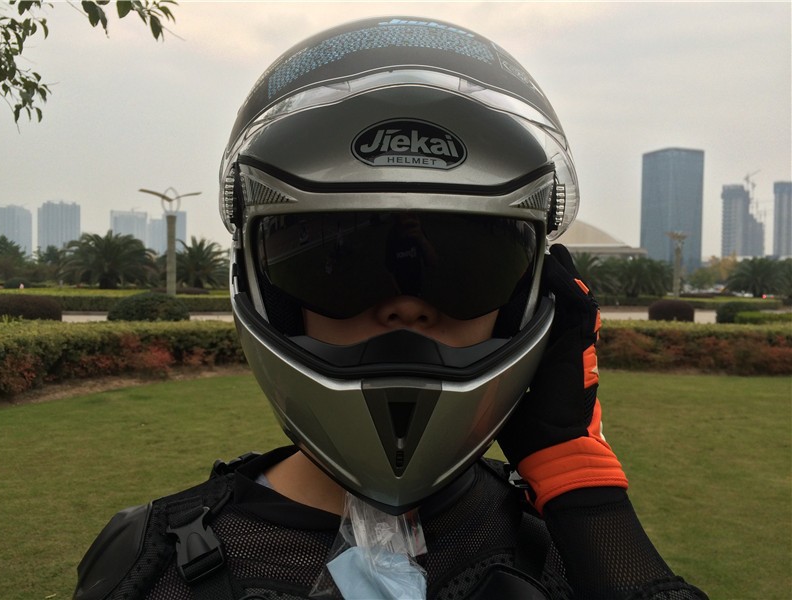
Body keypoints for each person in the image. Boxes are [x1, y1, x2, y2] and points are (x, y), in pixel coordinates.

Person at [75, 17, 707, 600]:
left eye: (465, 266)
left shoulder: (568, 545)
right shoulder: (150, 566)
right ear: (267, 290)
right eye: (347, 260)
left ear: (535, 296)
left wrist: (575, 478)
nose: (406, 306)